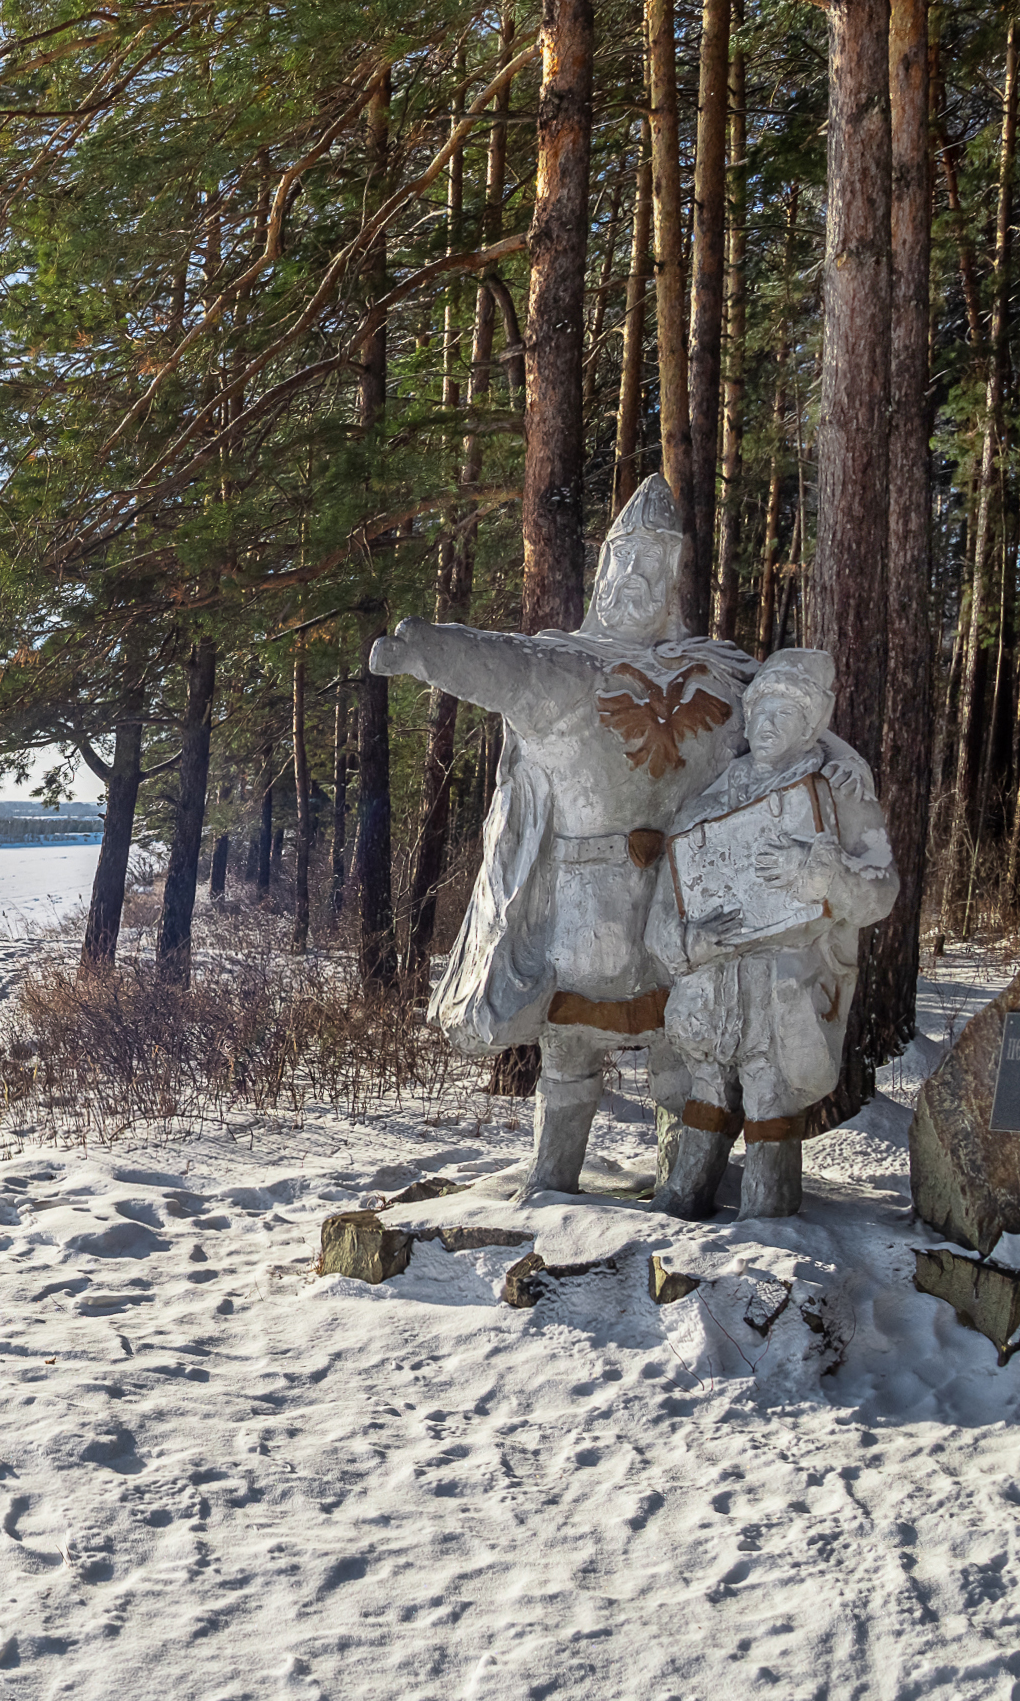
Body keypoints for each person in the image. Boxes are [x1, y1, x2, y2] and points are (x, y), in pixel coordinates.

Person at [369, 477, 753, 1199]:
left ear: (675, 580)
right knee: (569, 1046)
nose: (636, 581)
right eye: (623, 564)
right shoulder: (566, 669)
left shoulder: (723, 678)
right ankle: (550, 1184)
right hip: (583, 913)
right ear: (603, 570)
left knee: (684, 1050)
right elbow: (497, 662)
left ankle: (686, 1189)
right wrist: (425, 652)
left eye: (654, 567)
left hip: (686, 916)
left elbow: (793, 735)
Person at [642, 647, 898, 1218]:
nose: (767, 726)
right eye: (761, 712)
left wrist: (823, 874)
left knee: (768, 1089)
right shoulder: (704, 804)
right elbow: (667, 904)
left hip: (788, 979)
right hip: (712, 989)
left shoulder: (838, 794)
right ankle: (684, 1196)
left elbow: (880, 893)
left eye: (786, 715)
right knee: (707, 1085)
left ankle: (768, 1211)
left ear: (811, 727)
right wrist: (690, 942)